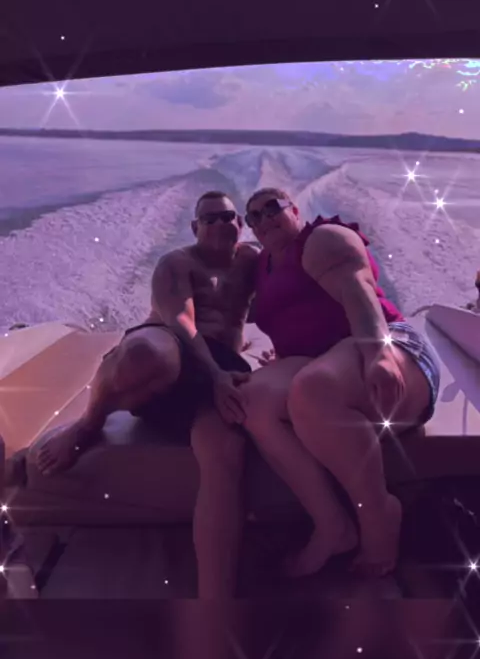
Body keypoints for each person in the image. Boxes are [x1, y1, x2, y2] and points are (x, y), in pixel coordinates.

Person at [35, 190, 259, 598]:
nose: (220, 223)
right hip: (172, 343)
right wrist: (215, 373)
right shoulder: (177, 263)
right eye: (209, 218)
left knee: (225, 454)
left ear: (240, 224)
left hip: (220, 367)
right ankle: (88, 424)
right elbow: (182, 321)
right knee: (147, 355)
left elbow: (288, 296)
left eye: (228, 216)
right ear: (194, 227)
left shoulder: (252, 262)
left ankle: (216, 599)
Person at [237, 187, 440, 578]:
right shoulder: (262, 266)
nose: (263, 219)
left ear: (295, 210)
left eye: (272, 208)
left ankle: (378, 516)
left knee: (314, 389)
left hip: (389, 344)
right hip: (325, 360)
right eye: (254, 217)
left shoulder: (321, 239)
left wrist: (378, 353)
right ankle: (332, 526)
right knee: (252, 400)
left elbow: (357, 290)